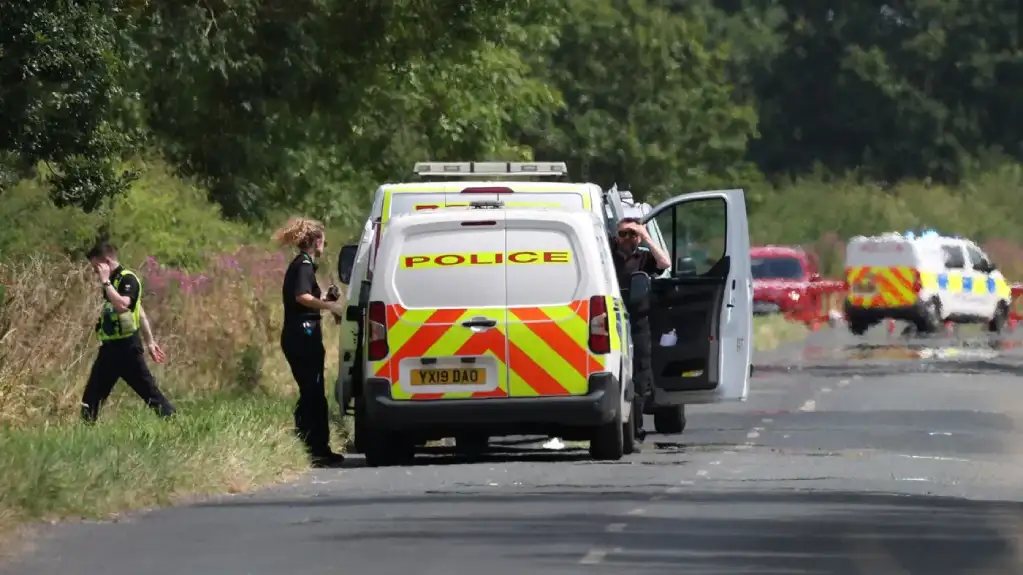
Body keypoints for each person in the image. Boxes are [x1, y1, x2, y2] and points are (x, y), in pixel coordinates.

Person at [272, 217, 346, 468]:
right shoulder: (303, 264)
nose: (324, 245)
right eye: (323, 241)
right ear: (316, 242)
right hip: (302, 336)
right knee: (314, 392)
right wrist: (330, 306)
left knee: (311, 391)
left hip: (300, 334)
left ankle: (309, 442)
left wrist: (325, 297)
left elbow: (306, 296)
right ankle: (316, 447)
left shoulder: (302, 266)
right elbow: (301, 297)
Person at [82, 241, 176, 422]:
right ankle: (83, 433)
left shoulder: (128, 279)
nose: (95, 272)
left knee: (150, 393)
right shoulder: (112, 281)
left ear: (106, 262)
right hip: (109, 349)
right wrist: (150, 341)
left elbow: (124, 304)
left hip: (127, 349)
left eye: (96, 267)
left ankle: (173, 420)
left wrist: (105, 281)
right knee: (91, 397)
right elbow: (140, 312)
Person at [612, 217, 671, 441]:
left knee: (640, 374)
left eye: (632, 234)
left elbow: (665, 264)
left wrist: (646, 236)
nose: (627, 239)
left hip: (638, 322)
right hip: (613, 319)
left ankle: (634, 428)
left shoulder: (644, 256)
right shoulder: (606, 256)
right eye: (623, 234)